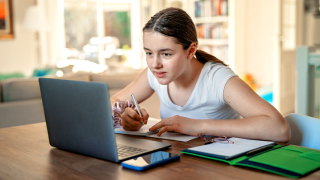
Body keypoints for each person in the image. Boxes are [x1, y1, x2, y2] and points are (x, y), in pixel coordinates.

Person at [110, 7, 290, 142]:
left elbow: (279, 129)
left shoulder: (218, 79)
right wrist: (125, 114)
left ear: (191, 51)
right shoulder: (154, 74)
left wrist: (197, 125)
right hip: (179, 163)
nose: (155, 64)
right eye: (149, 53)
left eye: (166, 54)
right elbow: (111, 102)